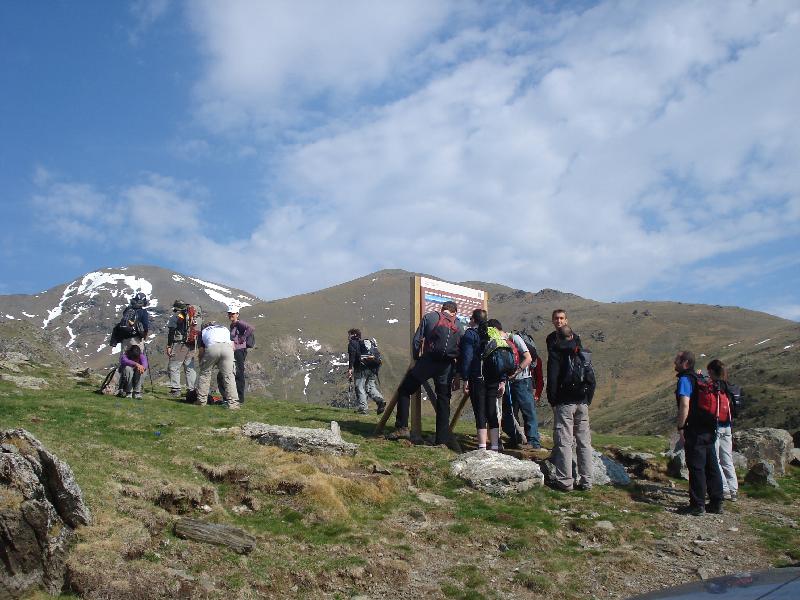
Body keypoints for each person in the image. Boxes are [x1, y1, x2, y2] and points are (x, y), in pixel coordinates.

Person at [388, 300, 463, 444]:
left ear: (443, 309)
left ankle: (402, 427)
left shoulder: (430, 317)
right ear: (454, 312)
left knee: (405, 390)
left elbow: (417, 340)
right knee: (443, 400)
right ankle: (442, 440)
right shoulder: (459, 325)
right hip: (446, 366)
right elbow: (461, 350)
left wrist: (417, 358)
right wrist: (457, 373)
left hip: (428, 361)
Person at [546, 311, 595, 492]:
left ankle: (565, 482)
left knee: (564, 441)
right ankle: (586, 481)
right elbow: (591, 377)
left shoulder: (556, 351)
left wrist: (553, 400)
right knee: (584, 442)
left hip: (565, 402)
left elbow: (552, 378)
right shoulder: (583, 352)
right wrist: (587, 398)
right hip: (582, 400)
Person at [674, 350, 724, 515]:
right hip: (710, 427)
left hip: (695, 429)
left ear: (685, 363)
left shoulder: (685, 379)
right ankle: (717, 503)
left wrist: (681, 427)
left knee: (696, 467)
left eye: (677, 360)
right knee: (712, 465)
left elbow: (685, 404)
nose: (674, 363)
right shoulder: (700, 378)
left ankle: (697, 505)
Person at [491, 320, 541, 450]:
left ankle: (533, 442)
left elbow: (528, 358)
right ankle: (515, 439)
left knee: (527, 411)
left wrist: (516, 371)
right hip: (508, 381)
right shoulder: (498, 341)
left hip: (522, 380)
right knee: (508, 412)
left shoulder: (515, 338)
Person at [458, 309, 501, 450]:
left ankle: (482, 447)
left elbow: (467, 357)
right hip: (494, 376)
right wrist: (503, 379)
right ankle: (495, 446)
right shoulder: (493, 333)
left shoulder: (470, 334)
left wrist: (465, 378)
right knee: (492, 411)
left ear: (473, 319)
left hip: (478, 376)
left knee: (480, 411)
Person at [707, 359, 738, 502]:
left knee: (715, 460)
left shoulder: (713, 387)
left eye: (709, 372)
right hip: (728, 427)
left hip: (716, 427)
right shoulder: (728, 387)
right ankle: (733, 490)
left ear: (712, 372)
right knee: (727, 459)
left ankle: (723, 489)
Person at [194, 322, 240, 410]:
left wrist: (202, 364)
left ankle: (201, 401)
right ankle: (233, 404)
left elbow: (201, 351)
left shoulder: (203, 332)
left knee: (205, 374)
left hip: (212, 347)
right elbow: (233, 346)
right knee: (229, 376)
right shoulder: (224, 328)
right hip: (227, 348)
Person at [217, 306, 253, 404]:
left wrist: (243, 338)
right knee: (231, 372)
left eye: (232, 314)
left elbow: (251, 328)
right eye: (229, 313)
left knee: (239, 373)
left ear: (237, 314)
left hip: (239, 350)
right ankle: (231, 397)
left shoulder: (238, 323)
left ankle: (240, 398)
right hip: (234, 350)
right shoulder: (233, 324)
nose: (230, 315)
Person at [347, 328, 386, 415]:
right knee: (370, 386)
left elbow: (352, 356)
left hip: (361, 368)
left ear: (353, 335)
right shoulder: (367, 345)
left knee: (359, 386)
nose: (348, 337)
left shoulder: (352, 343)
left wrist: (350, 369)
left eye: (349, 335)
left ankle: (363, 408)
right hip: (372, 368)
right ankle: (380, 400)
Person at [166, 299, 197, 398]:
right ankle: (191, 390)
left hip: (180, 344)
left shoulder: (176, 316)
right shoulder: (191, 314)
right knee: (189, 367)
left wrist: (169, 346)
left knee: (174, 366)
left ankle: (176, 389)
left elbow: (171, 331)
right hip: (192, 344)